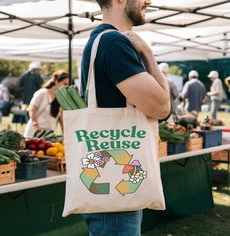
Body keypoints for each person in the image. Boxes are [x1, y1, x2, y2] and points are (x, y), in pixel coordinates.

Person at [80, 0, 170, 235]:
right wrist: (148, 54)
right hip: (117, 194)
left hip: (110, 181)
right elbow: (161, 107)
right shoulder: (113, 42)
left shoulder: (100, 39)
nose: (149, 1)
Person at [23, 70, 69, 138]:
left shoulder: (60, 97)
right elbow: (32, 109)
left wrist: (65, 132)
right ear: (56, 82)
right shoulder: (42, 93)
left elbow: (60, 117)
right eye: (65, 83)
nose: (66, 86)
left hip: (49, 135)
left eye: (68, 84)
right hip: (34, 132)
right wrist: (36, 124)